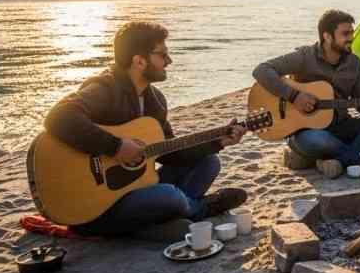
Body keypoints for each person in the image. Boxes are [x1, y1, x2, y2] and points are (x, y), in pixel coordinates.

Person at [44, 21, 248, 239]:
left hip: (136, 187)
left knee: (209, 161)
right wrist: (116, 147)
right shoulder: (104, 88)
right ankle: (198, 210)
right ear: (139, 61)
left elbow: (171, 154)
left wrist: (218, 142)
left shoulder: (155, 101)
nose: (169, 61)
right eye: (162, 55)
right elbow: (58, 117)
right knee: (170, 197)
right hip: (97, 206)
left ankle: (164, 220)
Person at [253, 9, 360, 179]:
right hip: (307, 130)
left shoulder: (355, 63)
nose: (351, 37)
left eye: (352, 32)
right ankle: (353, 155)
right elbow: (261, 70)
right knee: (317, 140)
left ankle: (336, 160)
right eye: (345, 33)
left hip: (342, 126)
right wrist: (294, 96)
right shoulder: (305, 57)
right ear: (327, 36)